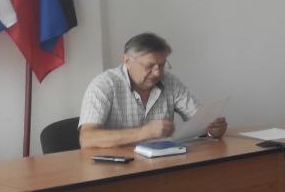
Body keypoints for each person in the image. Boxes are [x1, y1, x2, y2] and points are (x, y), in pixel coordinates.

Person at [78, 32, 227, 148]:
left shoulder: (170, 82)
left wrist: (213, 129)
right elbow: (87, 138)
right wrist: (144, 133)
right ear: (127, 61)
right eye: (149, 66)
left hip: (162, 163)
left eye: (161, 65)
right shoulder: (104, 85)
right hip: (117, 168)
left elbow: (200, 121)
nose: (157, 73)